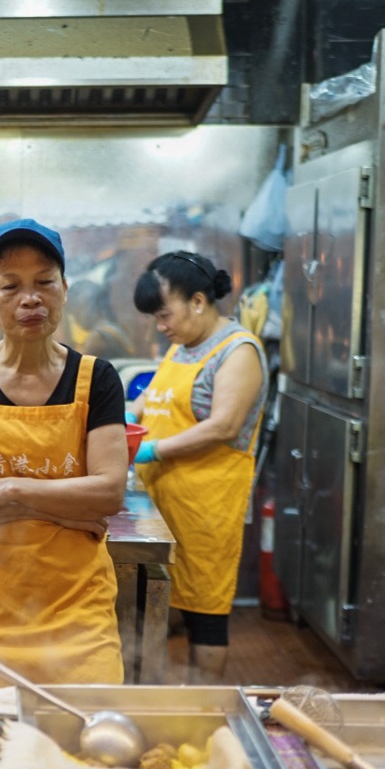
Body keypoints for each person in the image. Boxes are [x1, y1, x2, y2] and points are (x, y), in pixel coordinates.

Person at [0, 219, 130, 687]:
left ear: (65, 289)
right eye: (10, 286)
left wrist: (7, 489)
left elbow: (110, 492)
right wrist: (71, 512)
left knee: (83, 744)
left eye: (44, 283)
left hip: (75, 614)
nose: (30, 298)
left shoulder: (96, 379)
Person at [131, 250, 267, 683]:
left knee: (203, 611)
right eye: (155, 317)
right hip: (161, 500)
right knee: (162, 597)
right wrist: (125, 421)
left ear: (197, 301)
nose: (161, 325)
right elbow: (148, 401)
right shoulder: (183, 346)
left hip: (207, 503)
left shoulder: (237, 350)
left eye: (164, 314)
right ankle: (159, 694)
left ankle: (203, 705)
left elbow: (224, 425)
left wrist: (151, 451)